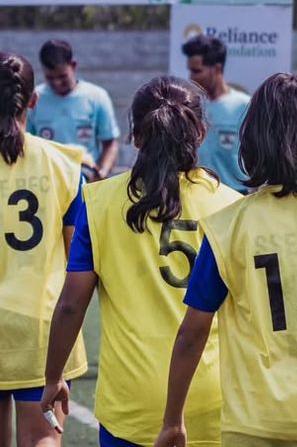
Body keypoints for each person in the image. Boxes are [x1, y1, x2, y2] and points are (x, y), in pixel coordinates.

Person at [155, 73, 297, 447]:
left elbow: (192, 333)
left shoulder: (230, 224)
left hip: (256, 422)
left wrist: (172, 420)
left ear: (255, 139)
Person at [41, 77, 240, 446]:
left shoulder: (98, 201)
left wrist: (54, 376)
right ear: (199, 132)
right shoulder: (230, 205)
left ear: (134, 136)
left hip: (130, 402)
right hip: (212, 396)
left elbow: (71, 305)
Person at [0, 53, 87, 447]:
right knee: (42, 440)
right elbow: (76, 261)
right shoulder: (65, 165)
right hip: (41, 326)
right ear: (32, 100)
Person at [27, 39, 120, 181]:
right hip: (48, 183)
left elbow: (110, 144)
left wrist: (101, 173)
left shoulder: (96, 96)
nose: (57, 83)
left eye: (62, 77)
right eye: (50, 78)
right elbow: (26, 144)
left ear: (73, 66)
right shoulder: (34, 99)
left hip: (85, 182)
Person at [182, 34, 250, 193]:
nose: (191, 77)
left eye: (197, 71)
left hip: (235, 197)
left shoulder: (244, 106)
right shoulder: (189, 106)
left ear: (217, 69)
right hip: (197, 195)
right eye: (190, 71)